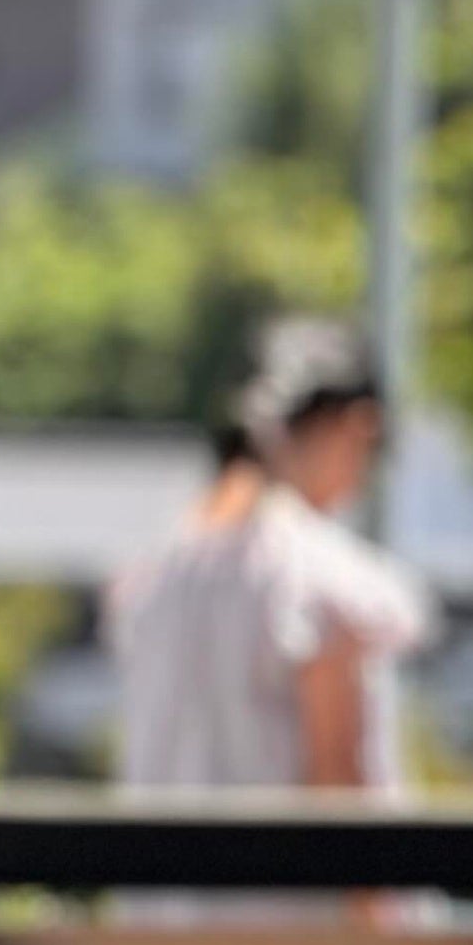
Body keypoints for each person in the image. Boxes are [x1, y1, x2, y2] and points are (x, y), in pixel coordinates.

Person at [108, 317, 435, 800]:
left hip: (159, 873)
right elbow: (341, 790)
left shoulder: (152, 572)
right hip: (281, 875)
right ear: (354, 426)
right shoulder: (319, 575)